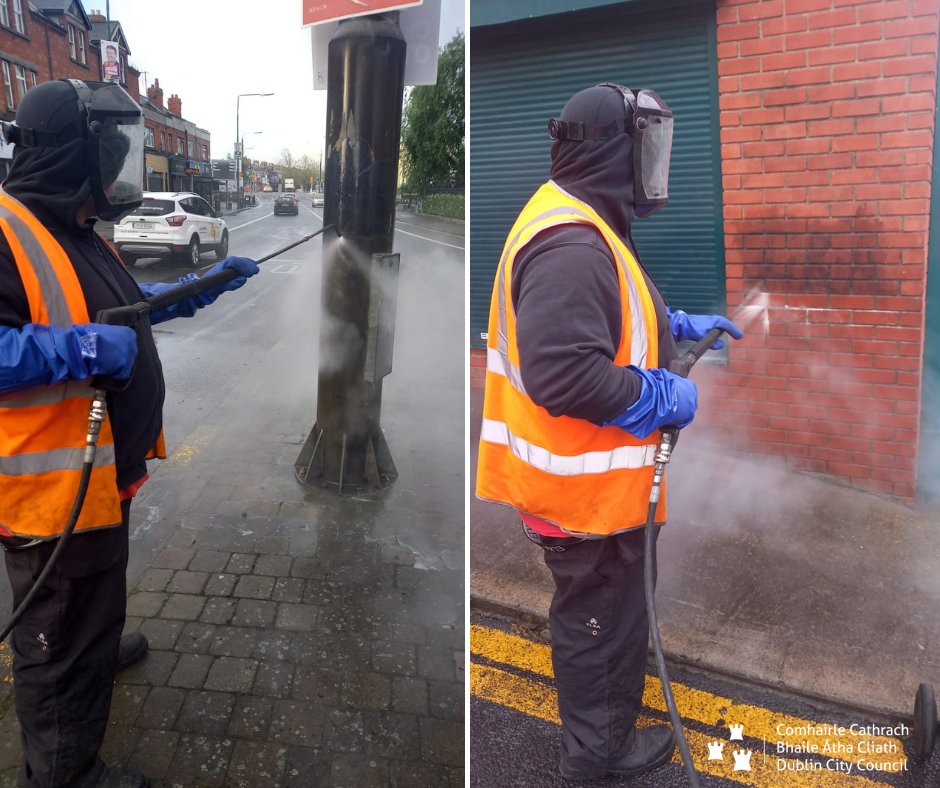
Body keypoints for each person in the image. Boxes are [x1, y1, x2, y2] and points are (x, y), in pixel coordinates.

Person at [476, 83, 743, 781]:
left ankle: (605, 734)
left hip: (598, 495)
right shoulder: (571, 244)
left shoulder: (582, 219)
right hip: (583, 502)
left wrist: (668, 323)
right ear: (614, 149)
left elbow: (602, 315)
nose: (654, 163)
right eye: (646, 144)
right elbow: (565, 378)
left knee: (614, 623)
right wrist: (661, 393)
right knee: (597, 631)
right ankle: (595, 760)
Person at [0, 78, 259, 788]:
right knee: (55, 635)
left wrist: (192, 290)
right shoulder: (5, 229)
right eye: (106, 156)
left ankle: (96, 642)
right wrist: (80, 351)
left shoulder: (75, 227)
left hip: (96, 478)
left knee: (93, 599)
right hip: (48, 495)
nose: (115, 175)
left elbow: (116, 307)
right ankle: (63, 773)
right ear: (68, 157)